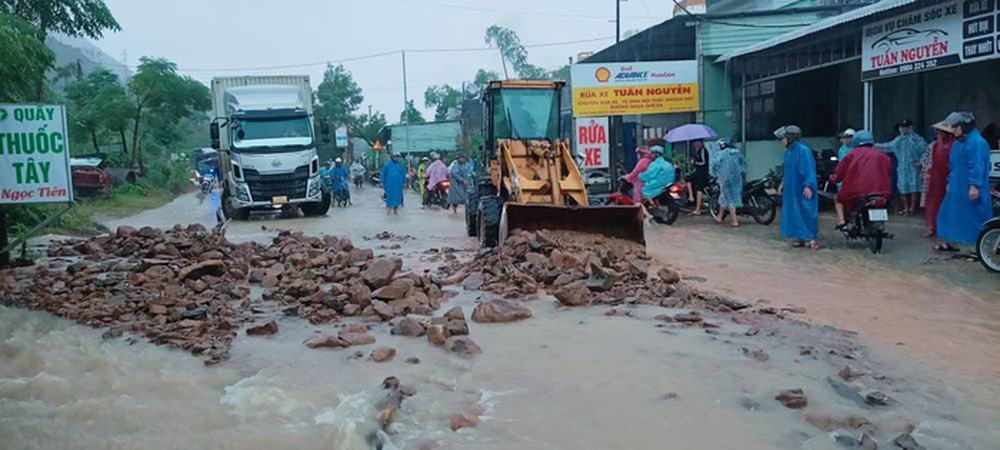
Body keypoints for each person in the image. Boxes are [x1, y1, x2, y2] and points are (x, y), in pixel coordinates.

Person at [935, 112, 993, 251]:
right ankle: (953, 242)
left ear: (964, 126)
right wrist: (949, 181)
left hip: (971, 186)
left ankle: (977, 248)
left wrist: (974, 186)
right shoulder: (958, 143)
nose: (953, 130)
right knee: (948, 213)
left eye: (955, 127)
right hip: (957, 185)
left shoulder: (977, 142)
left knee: (974, 217)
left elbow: (977, 165)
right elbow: (953, 166)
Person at [829, 130, 893, 229]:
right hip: (881, 191)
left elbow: (840, 173)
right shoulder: (882, 156)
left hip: (856, 192)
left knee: (838, 198)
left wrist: (834, 178)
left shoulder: (851, 155)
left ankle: (842, 221)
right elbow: (889, 171)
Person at [776, 125, 819, 249]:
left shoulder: (804, 151)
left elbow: (809, 169)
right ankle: (798, 236)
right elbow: (787, 171)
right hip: (791, 187)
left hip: (802, 186)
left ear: (790, 138)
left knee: (806, 210)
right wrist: (783, 184)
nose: (782, 141)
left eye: (783, 138)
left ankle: (811, 238)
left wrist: (809, 185)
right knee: (793, 211)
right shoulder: (788, 153)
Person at [876, 119, 927, 216]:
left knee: (914, 188)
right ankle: (906, 208)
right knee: (903, 188)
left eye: (906, 127)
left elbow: (926, 150)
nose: (904, 129)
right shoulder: (898, 140)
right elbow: (887, 147)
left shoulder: (917, 139)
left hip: (913, 167)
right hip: (902, 168)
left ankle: (912, 209)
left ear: (910, 127)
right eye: (902, 127)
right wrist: (875, 146)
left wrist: (921, 162)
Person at [921, 124, 954, 238]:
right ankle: (931, 227)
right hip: (935, 178)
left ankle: (946, 229)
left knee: (949, 205)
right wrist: (926, 172)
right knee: (933, 204)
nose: (938, 133)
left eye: (940, 131)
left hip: (950, 177)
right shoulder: (934, 146)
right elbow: (926, 161)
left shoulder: (954, 145)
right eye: (937, 132)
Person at [710, 138, 747, 227]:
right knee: (725, 197)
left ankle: (735, 221)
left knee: (729, 198)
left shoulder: (721, 155)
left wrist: (714, 174)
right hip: (737, 179)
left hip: (725, 179)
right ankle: (719, 217)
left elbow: (713, 166)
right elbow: (744, 165)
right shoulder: (737, 153)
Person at [684, 139, 710, 215]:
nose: (695, 144)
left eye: (696, 143)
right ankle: (691, 197)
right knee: (688, 178)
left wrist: (695, 162)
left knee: (699, 189)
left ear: (700, 143)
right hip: (698, 172)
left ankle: (698, 209)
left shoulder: (703, 150)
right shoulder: (698, 150)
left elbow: (703, 162)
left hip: (702, 173)